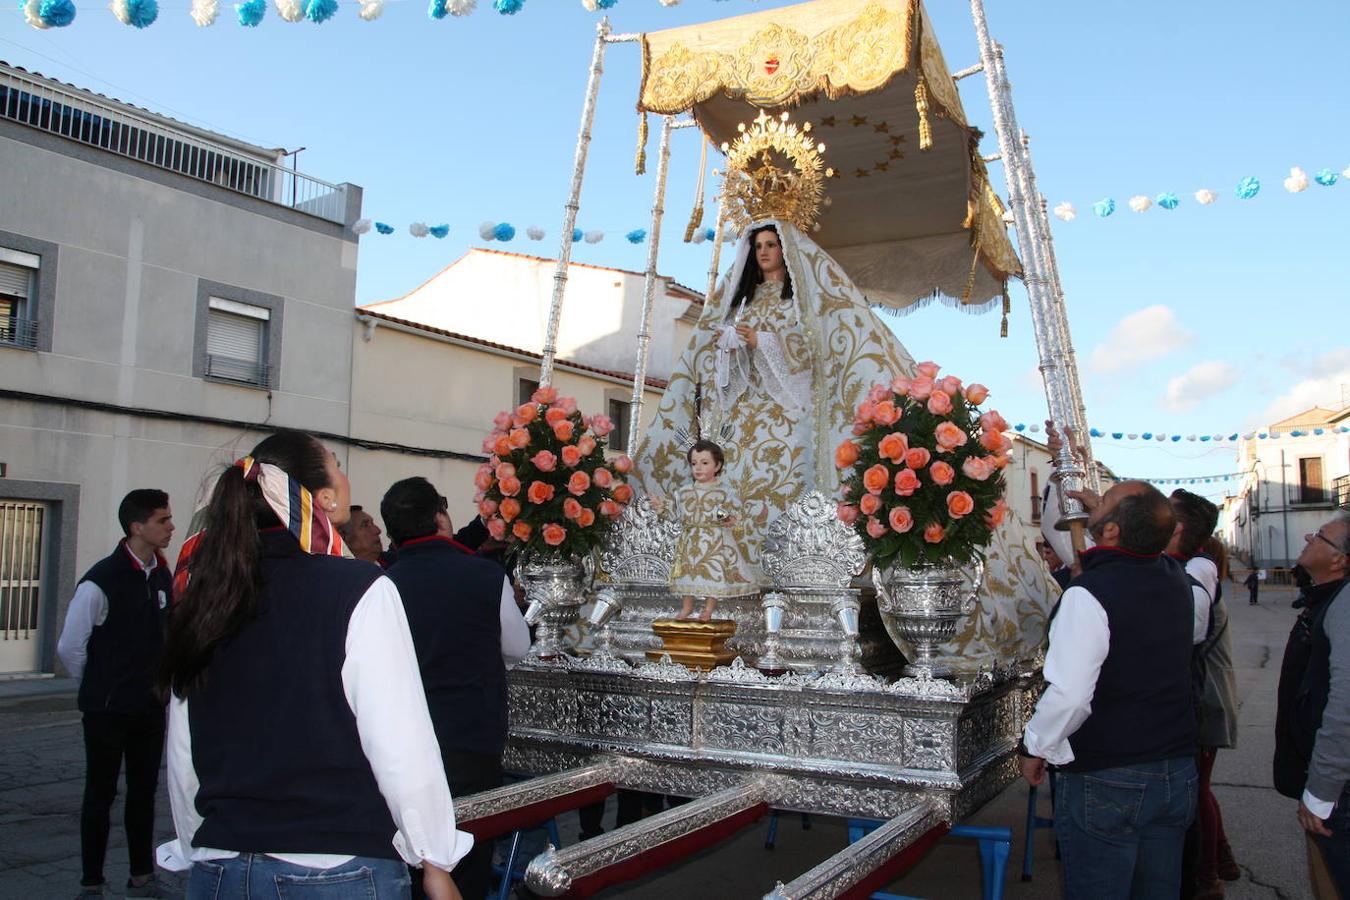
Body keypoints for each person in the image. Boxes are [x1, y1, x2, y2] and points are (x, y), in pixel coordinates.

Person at [156, 430, 469, 900]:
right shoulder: (360, 587)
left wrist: (195, 843)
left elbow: (183, 748)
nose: (344, 475)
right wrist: (436, 857)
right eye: (336, 465)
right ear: (322, 495)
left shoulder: (208, 592)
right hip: (335, 867)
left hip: (220, 862)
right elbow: (400, 740)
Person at [1019, 480, 1197, 899]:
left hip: (1111, 775)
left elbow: (1071, 696)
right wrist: (1099, 507)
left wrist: (1036, 746)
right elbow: (1122, 536)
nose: (1097, 500)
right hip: (1175, 769)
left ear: (1113, 530)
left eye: (1107, 500)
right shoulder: (1175, 576)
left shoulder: (1090, 594)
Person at [380, 477, 530, 900]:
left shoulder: (380, 581)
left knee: (408, 855)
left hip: (402, 741)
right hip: (470, 736)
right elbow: (517, 646)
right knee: (466, 855)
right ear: (439, 519)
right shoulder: (482, 574)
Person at [57, 490, 175, 900]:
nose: (170, 527)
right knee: (100, 794)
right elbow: (71, 646)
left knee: (143, 793)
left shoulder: (161, 574)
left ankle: (142, 875)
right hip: (108, 710)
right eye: (162, 520)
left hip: (148, 706)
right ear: (136, 527)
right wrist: (99, 686)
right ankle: (92, 881)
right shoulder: (100, 580)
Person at [1167, 492, 1240, 898]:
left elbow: (1190, 637)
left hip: (1206, 700)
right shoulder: (1195, 568)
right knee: (1200, 792)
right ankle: (1218, 861)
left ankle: (1207, 874)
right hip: (1206, 697)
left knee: (1197, 793)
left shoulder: (1197, 571)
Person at [1273, 513, 1350, 898]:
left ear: (1340, 561)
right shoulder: (1324, 598)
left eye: (1321, 536)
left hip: (1338, 791)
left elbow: (1344, 708)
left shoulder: (1344, 605)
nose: (1309, 536)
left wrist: (1321, 792)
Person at [651, 440, 756, 622]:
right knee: (687, 573)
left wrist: (725, 516)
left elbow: (734, 513)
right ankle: (687, 607)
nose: (698, 468)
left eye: (704, 463)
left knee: (714, 571)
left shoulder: (725, 492)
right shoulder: (682, 492)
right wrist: (661, 507)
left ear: (718, 466)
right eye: (694, 463)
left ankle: (708, 609)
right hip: (690, 539)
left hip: (714, 539)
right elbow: (675, 515)